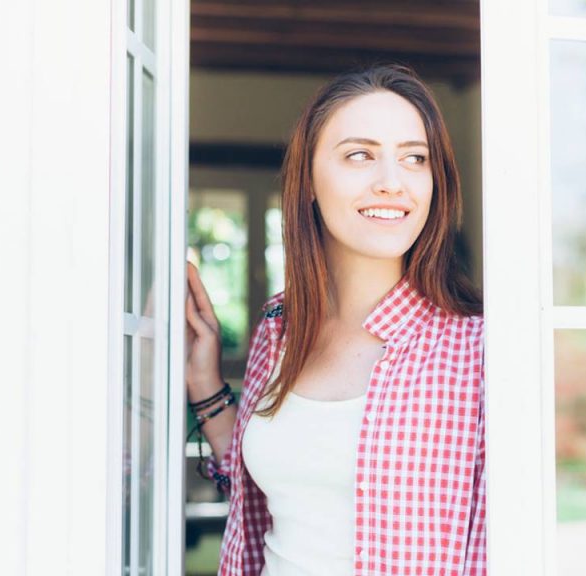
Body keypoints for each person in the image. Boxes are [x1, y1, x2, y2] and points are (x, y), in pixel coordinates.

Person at [185, 63, 486, 576]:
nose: (392, 182)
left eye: (415, 158)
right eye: (360, 155)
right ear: (308, 180)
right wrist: (206, 387)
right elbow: (271, 504)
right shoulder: (279, 326)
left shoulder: (477, 348)